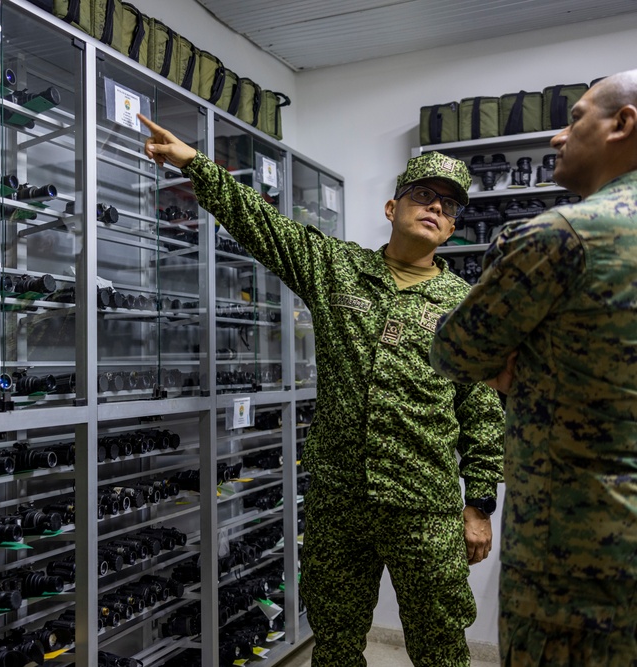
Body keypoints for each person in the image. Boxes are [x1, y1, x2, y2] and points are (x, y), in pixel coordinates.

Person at [138, 113, 504, 667]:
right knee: (334, 643)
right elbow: (264, 226)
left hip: (423, 504)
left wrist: (478, 504)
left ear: (451, 229)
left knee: (441, 647)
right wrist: (196, 165)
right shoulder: (337, 268)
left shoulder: (466, 303)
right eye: (423, 196)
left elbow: (481, 410)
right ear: (392, 208)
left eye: (448, 206)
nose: (435, 208)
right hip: (340, 500)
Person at [430, 71, 637, 665]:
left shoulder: (562, 236)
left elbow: (453, 352)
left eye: (575, 118)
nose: (556, 137)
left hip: (576, 552)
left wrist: (515, 360)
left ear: (622, 125)